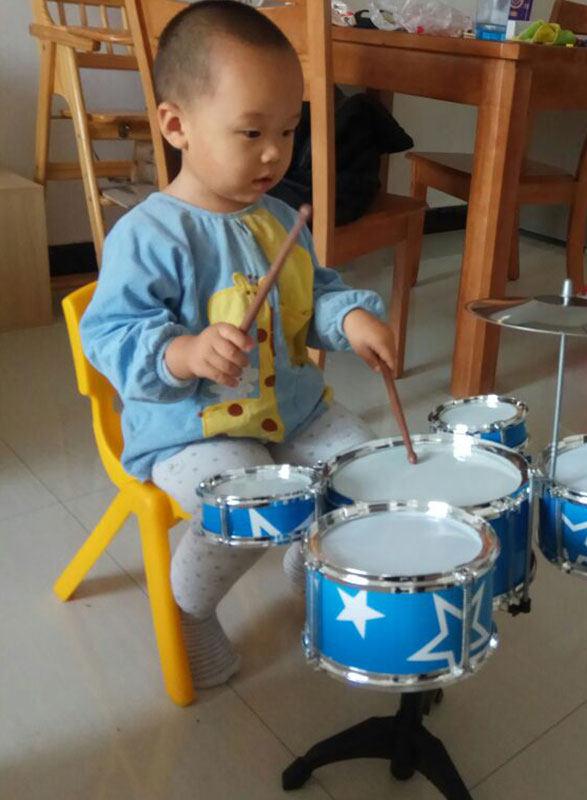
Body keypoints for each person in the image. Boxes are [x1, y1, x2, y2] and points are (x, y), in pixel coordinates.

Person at [80, 0, 394, 689]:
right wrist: (185, 353)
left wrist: (350, 320)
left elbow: (317, 294)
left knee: (365, 476)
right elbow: (108, 335)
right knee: (253, 507)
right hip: (190, 425)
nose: (275, 152)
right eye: (252, 131)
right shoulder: (149, 234)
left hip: (294, 410)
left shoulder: (281, 219)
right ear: (177, 126)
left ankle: (306, 563)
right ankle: (190, 608)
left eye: (287, 130)